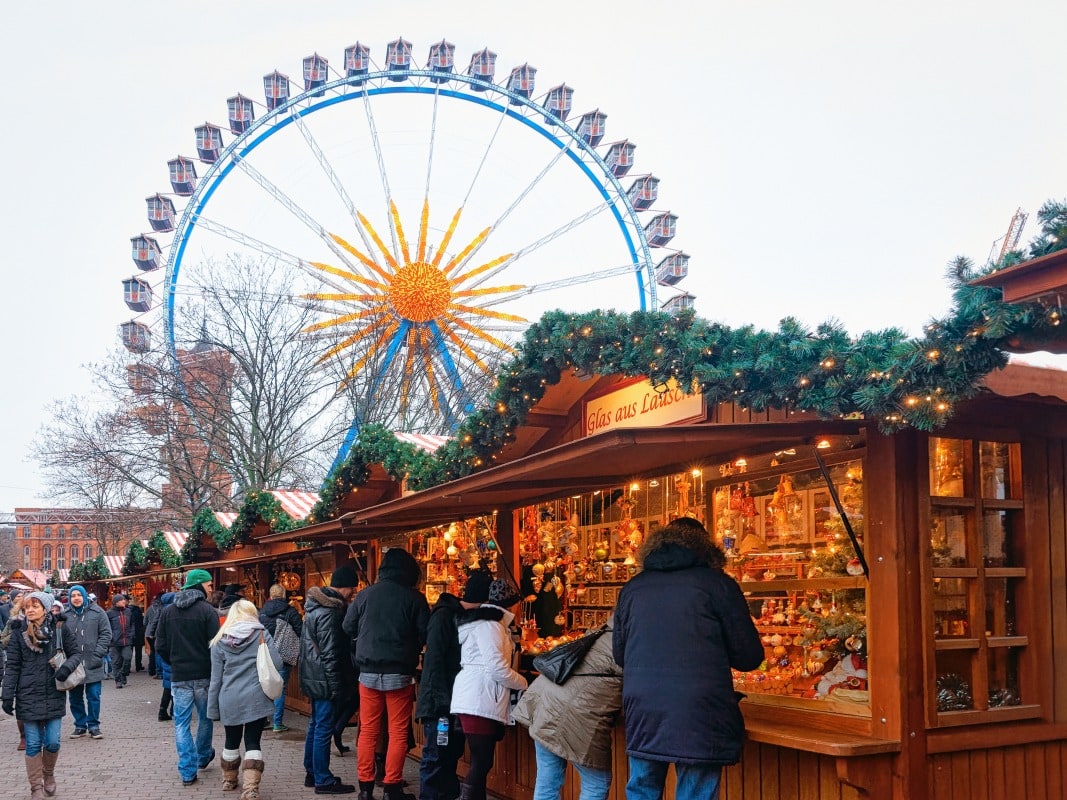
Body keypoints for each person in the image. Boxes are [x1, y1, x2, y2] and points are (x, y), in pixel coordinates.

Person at [612, 517, 764, 800]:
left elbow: (619, 655)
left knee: (642, 788)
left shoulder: (634, 588)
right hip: (701, 709)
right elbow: (749, 656)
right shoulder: (718, 585)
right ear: (706, 548)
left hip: (644, 707)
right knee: (695, 793)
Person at [344, 548, 430, 800]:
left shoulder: (365, 595)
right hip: (400, 673)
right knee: (398, 731)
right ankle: (392, 786)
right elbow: (426, 634)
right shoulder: (414, 598)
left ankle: (365, 788)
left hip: (367, 672)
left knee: (368, 730)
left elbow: (347, 627)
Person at [513, 616, 623, 800]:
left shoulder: (600, 631)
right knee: (596, 783)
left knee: (548, 779)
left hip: (546, 703)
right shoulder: (635, 643)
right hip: (578, 716)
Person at [416, 589, 501, 800]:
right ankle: (432, 796)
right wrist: (443, 702)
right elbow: (433, 662)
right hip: (440, 702)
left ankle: (445, 794)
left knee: (449, 752)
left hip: (452, 699)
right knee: (437, 753)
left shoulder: (458, 616)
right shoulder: (444, 617)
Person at [450, 574, 528, 800]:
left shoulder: (487, 624)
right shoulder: (491, 626)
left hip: (476, 696)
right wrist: (523, 684)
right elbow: (496, 668)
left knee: (480, 760)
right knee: (482, 761)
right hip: (480, 697)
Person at [1, 590, 83, 799]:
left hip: (53, 692)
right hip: (27, 694)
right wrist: (7, 695)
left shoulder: (60, 628)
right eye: (27, 607)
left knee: (53, 741)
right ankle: (35, 786)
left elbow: (76, 654)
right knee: (34, 743)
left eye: (34, 607)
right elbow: (12, 667)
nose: (29, 610)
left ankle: (49, 775)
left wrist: (66, 669)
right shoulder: (19, 632)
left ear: (45, 608)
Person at [208, 598, 282, 800]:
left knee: (231, 739)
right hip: (256, 696)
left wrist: (212, 709)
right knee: (253, 741)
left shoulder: (219, 640)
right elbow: (276, 662)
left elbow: (215, 679)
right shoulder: (261, 634)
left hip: (229, 697)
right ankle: (250, 788)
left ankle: (229, 779)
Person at [155, 568, 221, 787]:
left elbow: (160, 645)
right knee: (205, 718)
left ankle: (187, 770)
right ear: (200, 585)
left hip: (179, 675)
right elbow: (216, 645)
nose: (212, 588)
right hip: (203, 674)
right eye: (209, 584)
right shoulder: (207, 611)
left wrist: (174, 661)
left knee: (181, 723)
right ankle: (202, 757)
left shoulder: (168, 611)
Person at [300, 564, 359, 794]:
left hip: (315, 677)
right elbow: (332, 654)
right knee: (323, 727)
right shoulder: (331, 612)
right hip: (324, 680)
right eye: (351, 589)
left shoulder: (316, 607)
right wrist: (337, 688)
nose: (352, 594)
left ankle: (312, 773)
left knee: (316, 725)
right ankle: (323, 779)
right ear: (344, 588)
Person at [63, 585, 112, 740]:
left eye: (79, 595)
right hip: (73, 664)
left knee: (94, 696)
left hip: (93, 662)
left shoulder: (98, 613)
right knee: (75, 697)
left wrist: (98, 654)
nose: (76, 598)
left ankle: (94, 725)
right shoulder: (65, 616)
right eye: (73, 595)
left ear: (84, 597)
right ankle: (80, 725)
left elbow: (106, 634)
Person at [258, 583, 303, 733]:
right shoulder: (291, 611)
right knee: (281, 689)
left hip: (265, 654)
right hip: (283, 655)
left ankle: (262, 720)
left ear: (270, 596)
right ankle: (277, 723)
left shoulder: (262, 611)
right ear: (284, 595)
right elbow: (301, 631)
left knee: (264, 685)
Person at [154, 592, 177, 721]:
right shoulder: (171, 613)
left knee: (168, 684)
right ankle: (172, 710)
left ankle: (163, 710)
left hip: (165, 653)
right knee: (174, 683)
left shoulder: (162, 611)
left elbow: (154, 628)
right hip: (172, 652)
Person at [106, 594, 135, 689]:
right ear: (116, 602)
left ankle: (123, 673)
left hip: (127, 640)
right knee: (116, 662)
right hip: (114, 642)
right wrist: (110, 637)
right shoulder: (109, 613)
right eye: (122, 600)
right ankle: (118, 681)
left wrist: (131, 634)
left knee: (127, 658)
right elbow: (106, 627)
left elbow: (132, 624)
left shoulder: (128, 611)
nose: (124, 601)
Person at [143, 593, 165, 678]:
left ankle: (151, 670)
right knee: (159, 652)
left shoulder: (149, 609)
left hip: (149, 633)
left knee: (153, 652)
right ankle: (159, 671)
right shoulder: (163, 608)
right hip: (158, 633)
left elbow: (144, 622)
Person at [129, 598, 146, 672]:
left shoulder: (127, 611)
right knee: (138, 651)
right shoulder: (138, 611)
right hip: (138, 633)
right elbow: (142, 622)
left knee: (129, 651)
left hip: (129, 633)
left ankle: (128, 667)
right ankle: (138, 666)